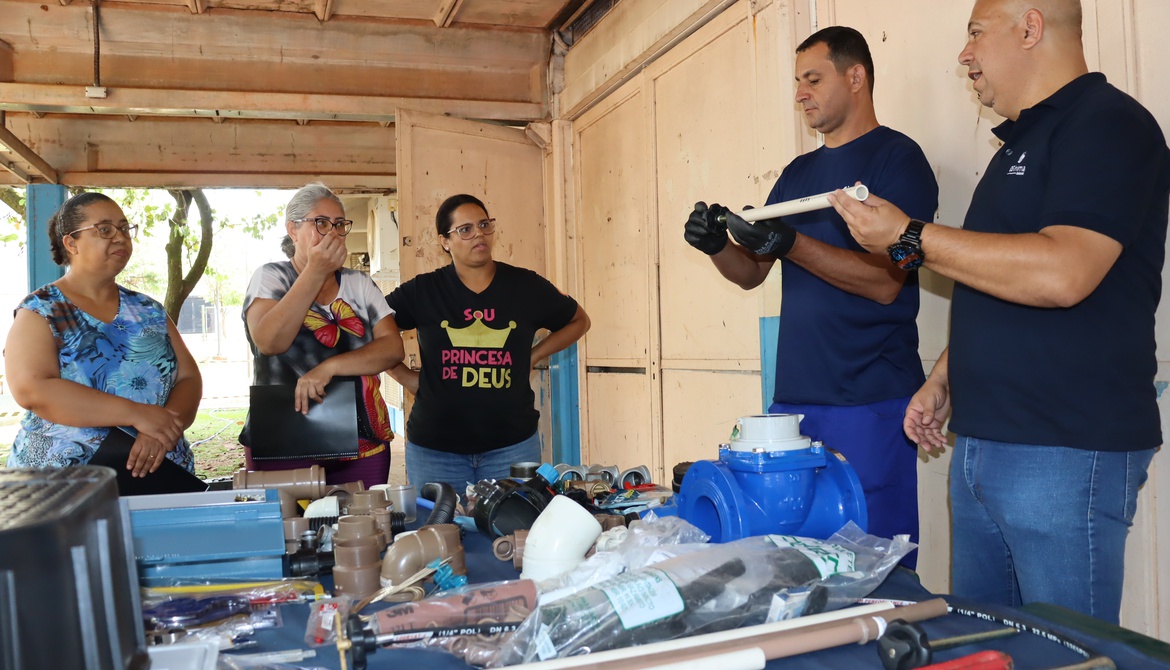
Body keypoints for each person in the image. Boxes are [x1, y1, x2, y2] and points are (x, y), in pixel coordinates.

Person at [829, 0, 1168, 623]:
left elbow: (1064, 271)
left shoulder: (1109, 124)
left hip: (1063, 449)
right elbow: (1001, 274)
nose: (965, 55)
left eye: (976, 35)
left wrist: (910, 236)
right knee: (988, 649)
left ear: (1031, 27)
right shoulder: (1022, 143)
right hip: (985, 444)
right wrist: (945, 378)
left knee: (1068, 653)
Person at [683, 26, 939, 565]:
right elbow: (752, 273)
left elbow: (884, 282)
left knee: (875, 566)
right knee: (797, 563)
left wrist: (793, 244)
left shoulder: (899, 159)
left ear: (856, 76)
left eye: (812, 78)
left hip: (871, 401)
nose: (801, 93)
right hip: (794, 406)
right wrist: (715, 247)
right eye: (797, 81)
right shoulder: (798, 174)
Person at [386, 194, 590, 494]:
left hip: (512, 447)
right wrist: (404, 377)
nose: (479, 234)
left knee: (513, 534)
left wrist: (532, 356)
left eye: (484, 225)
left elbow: (579, 321)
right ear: (445, 241)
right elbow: (368, 329)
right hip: (435, 450)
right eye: (465, 229)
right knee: (438, 536)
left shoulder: (525, 286)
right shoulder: (423, 291)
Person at [4, 192, 201, 478]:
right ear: (71, 243)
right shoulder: (40, 310)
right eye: (105, 230)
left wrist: (161, 430)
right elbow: (33, 389)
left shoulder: (149, 310)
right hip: (63, 485)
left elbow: (188, 378)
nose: (120, 237)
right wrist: (136, 414)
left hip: (155, 475)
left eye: (124, 228)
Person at [240, 183, 404, 486]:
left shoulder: (359, 284)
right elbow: (269, 342)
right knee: (289, 528)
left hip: (360, 438)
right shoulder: (271, 277)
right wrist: (314, 271)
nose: (333, 233)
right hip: (283, 437)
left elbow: (392, 349)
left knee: (364, 527)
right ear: (293, 229)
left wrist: (329, 367)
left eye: (339, 224)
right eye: (321, 223)